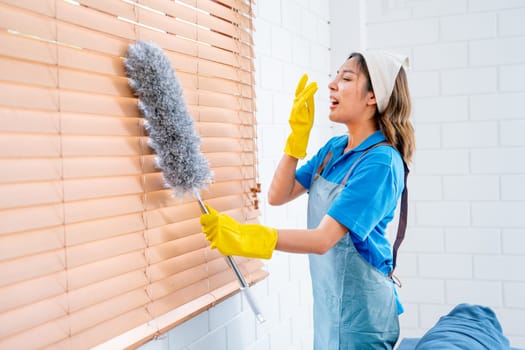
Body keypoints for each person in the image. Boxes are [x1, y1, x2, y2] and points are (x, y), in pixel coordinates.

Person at [200, 50, 415, 349]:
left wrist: (251, 238)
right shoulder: (334, 149)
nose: (332, 84)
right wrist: (296, 139)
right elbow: (278, 195)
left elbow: (323, 239)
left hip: (362, 315)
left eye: (346, 77)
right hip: (331, 307)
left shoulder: (380, 162)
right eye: (336, 75)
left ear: (372, 97)